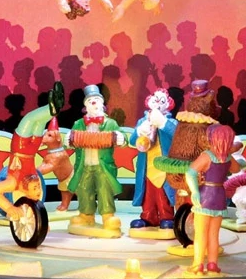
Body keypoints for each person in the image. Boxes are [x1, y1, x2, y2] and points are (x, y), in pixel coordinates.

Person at [185, 124, 246, 275]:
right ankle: (213, 264)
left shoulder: (207, 156)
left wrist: (195, 191)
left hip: (205, 197)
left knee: (201, 234)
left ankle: (198, 265)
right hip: (219, 197)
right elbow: (237, 168)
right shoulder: (228, 158)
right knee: (214, 234)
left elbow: (190, 172)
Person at [67, 85, 125, 234]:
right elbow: (70, 140)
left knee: (104, 189)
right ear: (85, 105)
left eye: (96, 100)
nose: (93, 103)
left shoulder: (110, 123)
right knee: (84, 189)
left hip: (103, 165)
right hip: (84, 165)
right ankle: (86, 215)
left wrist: (121, 138)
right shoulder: (79, 124)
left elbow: (123, 138)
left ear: (102, 103)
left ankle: (108, 216)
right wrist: (69, 140)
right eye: (90, 100)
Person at [129, 89, 178, 232]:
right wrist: (140, 131)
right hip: (147, 167)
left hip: (164, 168)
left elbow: (177, 136)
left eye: (162, 101)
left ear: (167, 105)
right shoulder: (142, 121)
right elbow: (132, 141)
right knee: (148, 194)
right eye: (155, 99)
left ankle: (166, 217)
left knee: (163, 193)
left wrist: (162, 123)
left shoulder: (171, 122)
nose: (157, 103)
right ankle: (148, 216)